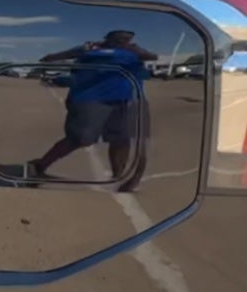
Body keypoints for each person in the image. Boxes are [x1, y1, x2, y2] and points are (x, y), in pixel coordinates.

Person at [28, 30, 156, 191]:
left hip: (127, 98)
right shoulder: (91, 48)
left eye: (127, 38)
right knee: (81, 138)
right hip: (89, 97)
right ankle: (39, 165)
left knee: (122, 138)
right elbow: (64, 55)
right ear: (108, 38)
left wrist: (137, 50)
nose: (124, 40)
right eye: (119, 37)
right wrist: (50, 58)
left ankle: (118, 176)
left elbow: (152, 57)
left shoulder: (134, 51)